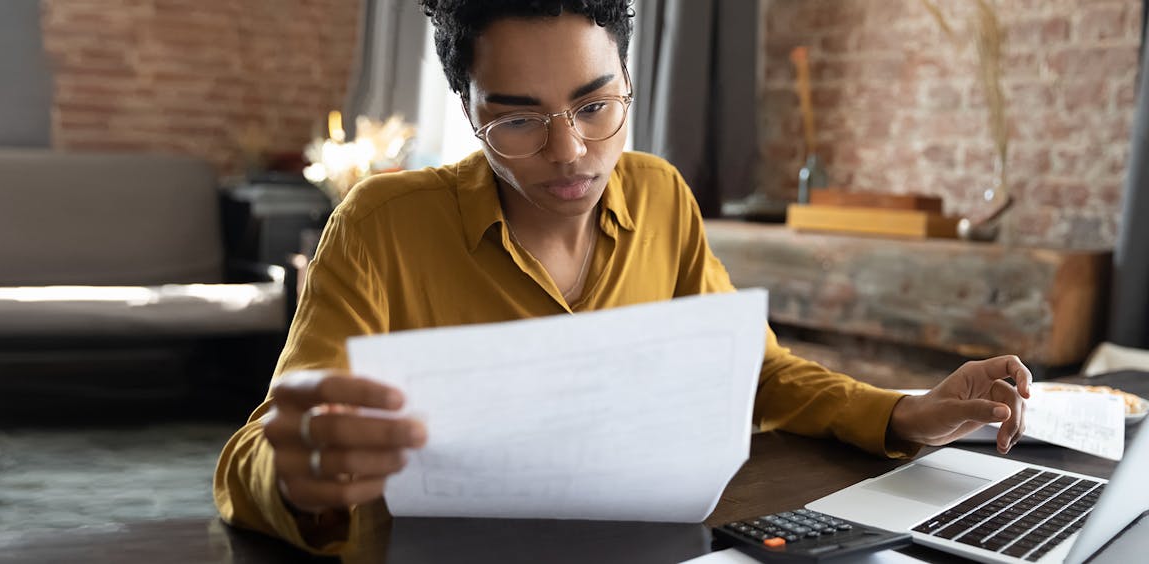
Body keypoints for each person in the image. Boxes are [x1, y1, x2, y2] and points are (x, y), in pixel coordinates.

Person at [213, 0, 1030, 555]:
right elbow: (252, 455)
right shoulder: (382, 224)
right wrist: (296, 475)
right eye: (520, 118)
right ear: (469, 112)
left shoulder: (662, 196)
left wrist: (905, 412)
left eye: (597, 105)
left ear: (628, 84)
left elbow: (758, 373)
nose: (570, 151)